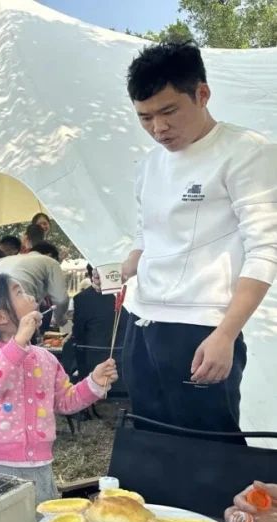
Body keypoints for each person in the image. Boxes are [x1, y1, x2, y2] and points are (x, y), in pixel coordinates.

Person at [120, 42, 277, 437]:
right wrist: (134, 257)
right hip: (140, 321)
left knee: (209, 450)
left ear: (202, 94)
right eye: (145, 117)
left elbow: (265, 249)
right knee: (150, 440)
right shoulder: (149, 164)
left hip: (201, 326)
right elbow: (145, 229)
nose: (158, 128)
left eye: (169, 111)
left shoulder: (247, 152)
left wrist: (226, 333)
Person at [0, 274, 118, 505]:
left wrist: (94, 382)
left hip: (40, 466)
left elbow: (66, 401)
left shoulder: (46, 358)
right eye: (19, 292)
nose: (31, 296)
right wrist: (19, 341)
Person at [0, 241, 69, 328]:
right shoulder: (50, 261)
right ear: (50, 255)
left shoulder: (3, 260)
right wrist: (58, 318)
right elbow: (60, 300)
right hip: (18, 307)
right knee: (23, 333)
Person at [72, 268, 127, 379]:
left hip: (93, 363)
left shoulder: (82, 298)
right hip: (126, 362)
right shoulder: (132, 296)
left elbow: (79, 334)